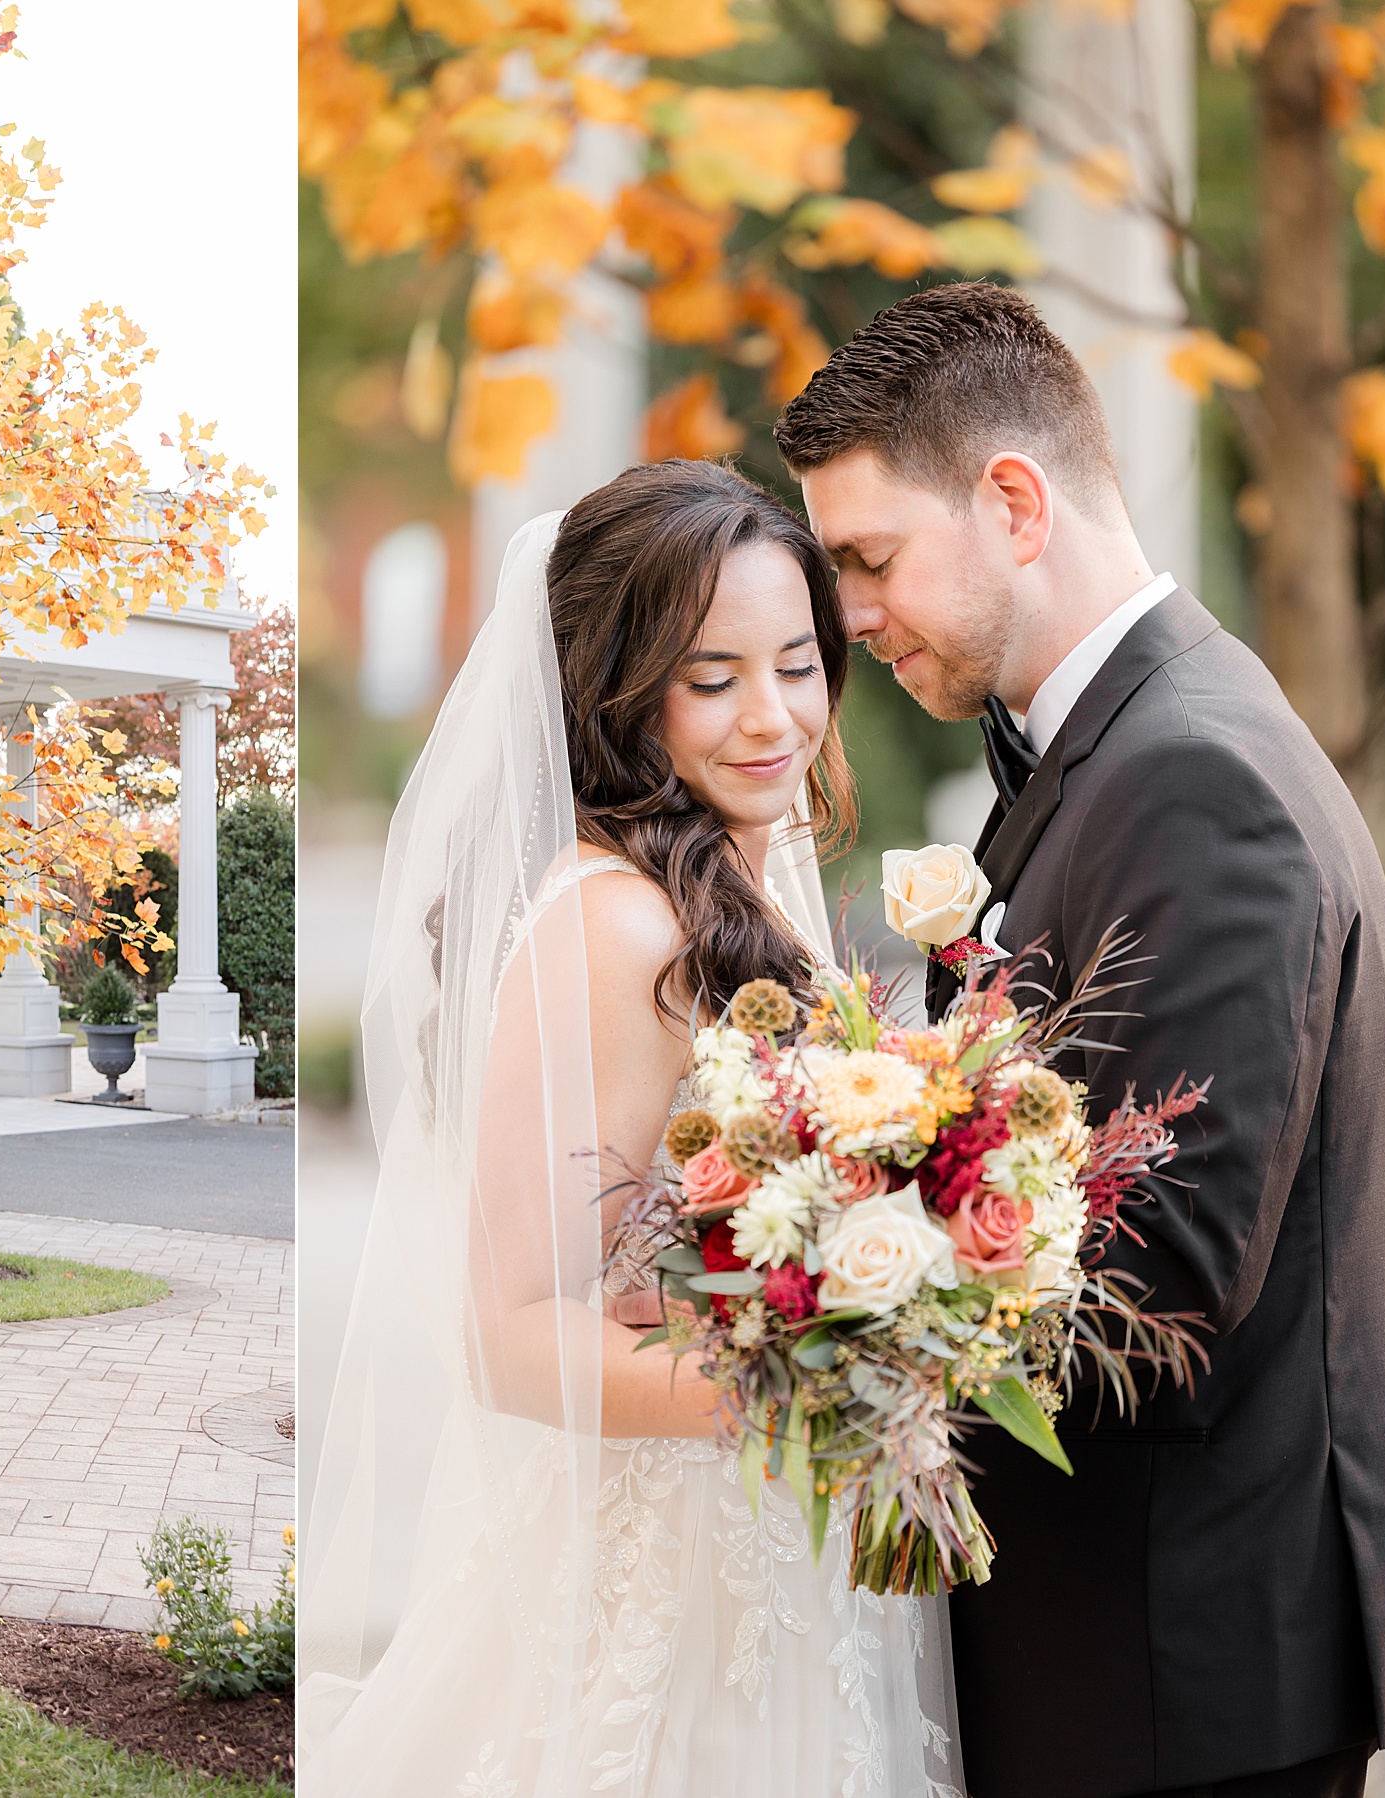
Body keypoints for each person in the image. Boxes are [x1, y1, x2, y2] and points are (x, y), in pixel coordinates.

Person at [774, 280, 1385, 1798]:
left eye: (871, 558)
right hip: (1146, 1659)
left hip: (1182, 1669)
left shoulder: (1192, 779)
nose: (851, 616)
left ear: (1014, 501)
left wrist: (812, 1294)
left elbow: (1152, 1278)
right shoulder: (1129, 743)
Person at [299, 460, 963, 1797]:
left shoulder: (724, 881)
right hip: (670, 1571)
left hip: (767, 1541)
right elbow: (514, 1328)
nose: (771, 716)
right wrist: (805, 1384)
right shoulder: (614, 924)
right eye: (711, 678)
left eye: (796, 662)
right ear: (616, 688)